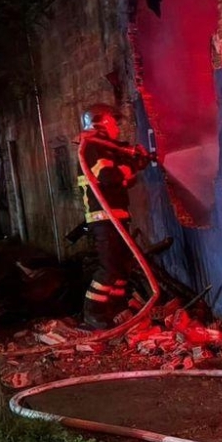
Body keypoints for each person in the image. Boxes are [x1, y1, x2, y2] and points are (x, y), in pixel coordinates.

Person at [76, 104, 152, 329]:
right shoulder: (92, 146)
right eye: (114, 122)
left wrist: (135, 165)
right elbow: (109, 176)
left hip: (117, 217)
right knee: (108, 267)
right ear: (101, 121)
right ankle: (93, 313)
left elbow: (124, 180)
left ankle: (115, 308)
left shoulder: (107, 148)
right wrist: (132, 166)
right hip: (103, 219)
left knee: (121, 268)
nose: (117, 127)